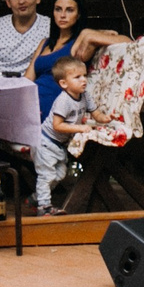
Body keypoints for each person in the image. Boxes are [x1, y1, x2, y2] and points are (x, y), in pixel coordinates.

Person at [32, 0, 122, 108]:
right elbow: (27, 80)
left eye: (69, 10)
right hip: (31, 100)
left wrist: (89, 35)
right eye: (58, 9)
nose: (62, 15)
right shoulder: (45, 43)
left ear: (78, 14)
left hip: (55, 106)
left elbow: (127, 41)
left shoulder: (80, 41)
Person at [31, 54, 95, 211]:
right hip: (45, 141)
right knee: (46, 176)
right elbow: (57, 126)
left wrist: (107, 118)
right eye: (77, 77)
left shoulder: (85, 96)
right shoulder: (63, 100)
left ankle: (35, 199)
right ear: (64, 83)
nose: (83, 80)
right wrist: (79, 128)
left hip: (59, 145)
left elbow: (96, 112)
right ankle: (44, 207)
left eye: (85, 75)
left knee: (60, 175)